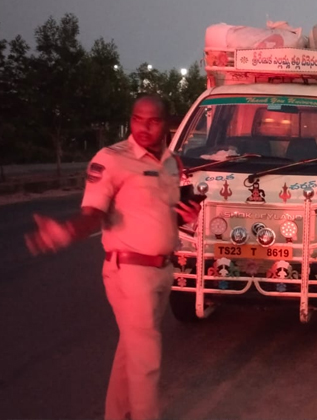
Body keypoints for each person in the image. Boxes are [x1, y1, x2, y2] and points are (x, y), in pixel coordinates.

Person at [25, 95, 201, 420]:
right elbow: (92, 213)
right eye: (138, 118)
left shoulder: (171, 163)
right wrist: (66, 231)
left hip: (162, 271)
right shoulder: (111, 159)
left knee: (130, 353)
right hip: (130, 272)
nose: (144, 127)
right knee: (146, 361)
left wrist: (187, 215)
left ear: (167, 124)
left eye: (153, 120)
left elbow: (163, 216)